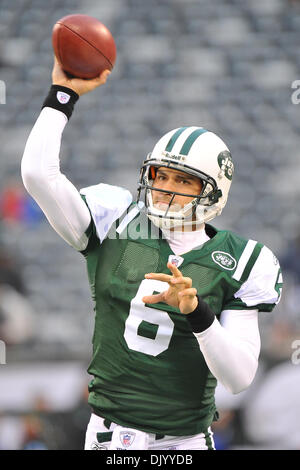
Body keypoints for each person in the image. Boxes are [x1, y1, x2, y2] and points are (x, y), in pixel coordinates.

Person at [21, 58, 283, 451]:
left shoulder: (243, 259)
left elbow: (239, 377)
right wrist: (63, 95)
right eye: (160, 176)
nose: (165, 188)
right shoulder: (115, 219)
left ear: (212, 192)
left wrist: (197, 313)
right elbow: (39, 177)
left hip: (185, 442)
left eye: (183, 180)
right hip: (111, 437)